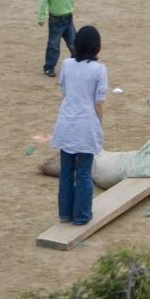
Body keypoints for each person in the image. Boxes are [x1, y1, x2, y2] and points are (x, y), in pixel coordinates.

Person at [50, 25, 106, 226]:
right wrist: (100, 126)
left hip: (66, 122)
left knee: (66, 171)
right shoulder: (99, 70)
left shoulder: (66, 64)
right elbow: (98, 102)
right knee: (83, 172)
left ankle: (65, 213)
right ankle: (82, 215)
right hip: (86, 125)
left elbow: (64, 90)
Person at [37, 0, 80, 78]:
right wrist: (41, 16)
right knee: (53, 45)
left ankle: (77, 63)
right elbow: (43, 0)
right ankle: (49, 67)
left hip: (68, 18)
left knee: (74, 42)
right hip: (56, 20)